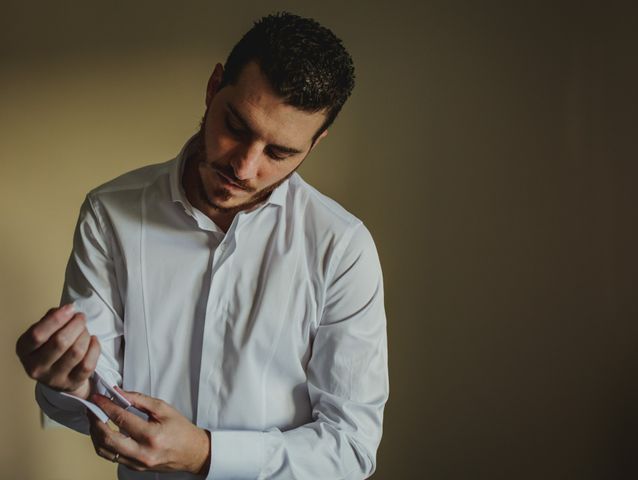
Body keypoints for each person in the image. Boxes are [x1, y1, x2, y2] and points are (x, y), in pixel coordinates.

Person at [16, 11, 388, 480]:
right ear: (214, 88)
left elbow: (351, 447)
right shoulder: (110, 213)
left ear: (314, 145)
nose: (246, 167)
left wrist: (205, 454)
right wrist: (70, 384)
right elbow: (90, 399)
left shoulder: (342, 248)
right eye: (236, 126)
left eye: (279, 152)